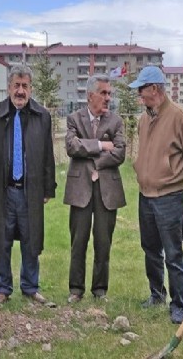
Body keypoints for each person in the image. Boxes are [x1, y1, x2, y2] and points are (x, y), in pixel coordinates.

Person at [0, 65, 57, 306]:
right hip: (2, 191)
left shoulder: (42, 116)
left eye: (25, 86)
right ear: (8, 87)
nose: (20, 91)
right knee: (0, 241)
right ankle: (2, 287)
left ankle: (30, 287)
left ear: (30, 88)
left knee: (31, 241)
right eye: (16, 85)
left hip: (30, 192)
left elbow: (47, 156)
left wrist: (47, 188)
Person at [128, 65, 183, 324]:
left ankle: (178, 303)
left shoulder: (181, 117)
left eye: (141, 90)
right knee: (150, 248)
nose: (139, 96)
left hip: (169, 197)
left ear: (155, 89)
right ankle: (156, 294)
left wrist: (172, 174)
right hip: (145, 196)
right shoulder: (144, 118)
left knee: (173, 252)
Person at [63, 74, 126, 303]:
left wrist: (95, 163)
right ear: (91, 96)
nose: (108, 98)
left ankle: (100, 290)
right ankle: (75, 289)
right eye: (104, 93)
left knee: (103, 242)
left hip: (107, 191)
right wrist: (101, 145)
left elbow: (120, 153)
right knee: (78, 241)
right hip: (80, 190)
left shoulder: (116, 121)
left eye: (110, 93)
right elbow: (71, 146)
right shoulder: (73, 118)